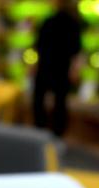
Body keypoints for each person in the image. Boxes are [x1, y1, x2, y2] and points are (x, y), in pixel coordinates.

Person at [33, 0, 82, 136]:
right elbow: (76, 52)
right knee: (59, 103)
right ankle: (57, 134)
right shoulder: (73, 23)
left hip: (47, 66)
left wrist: (35, 65)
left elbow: (38, 47)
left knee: (40, 100)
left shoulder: (48, 21)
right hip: (61, 68)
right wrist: (74, 70)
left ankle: (40, 131)